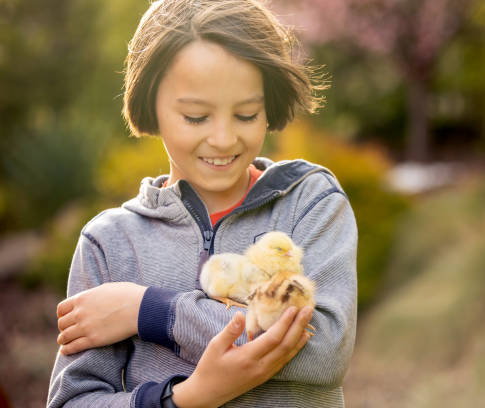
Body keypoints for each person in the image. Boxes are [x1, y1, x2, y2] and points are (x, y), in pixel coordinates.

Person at [46, 0, 358, 407]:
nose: (225, 138)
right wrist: (186, 398)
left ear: (270, 106)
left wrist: (148, 310)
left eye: (246, 114)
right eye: (196, 117)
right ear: (149, 105)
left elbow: (324, 352)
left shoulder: (309, 201)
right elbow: (72, 402)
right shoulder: (110, 243)